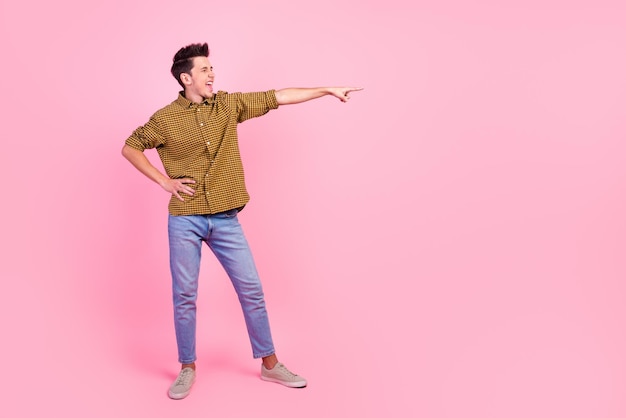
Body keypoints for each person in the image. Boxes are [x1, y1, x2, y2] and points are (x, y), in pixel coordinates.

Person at [121, 42, 362, 400]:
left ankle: (270, 364)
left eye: (211, 69)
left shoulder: (229, 105)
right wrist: (164, 181)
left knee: (251, 290)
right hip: (185, 220)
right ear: (186, 78)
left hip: (225, 218)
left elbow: (278, 96)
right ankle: (187, 368)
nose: (211, 74)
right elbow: (130, 146)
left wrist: (326, 90)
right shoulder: (164, 119)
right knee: (184, 296)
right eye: (204, 70)